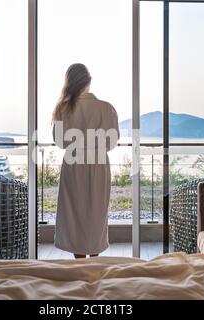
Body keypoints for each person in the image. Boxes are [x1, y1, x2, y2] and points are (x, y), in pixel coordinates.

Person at [52, 63, 120, 259]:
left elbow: (59, 141)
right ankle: (94, 262)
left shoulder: (63, 108)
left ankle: (80, 262)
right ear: (88, 82)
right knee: (96, 213)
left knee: (75, 213)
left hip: (74, 165)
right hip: (98, 165)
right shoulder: (106, 108)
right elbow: (112, 141)